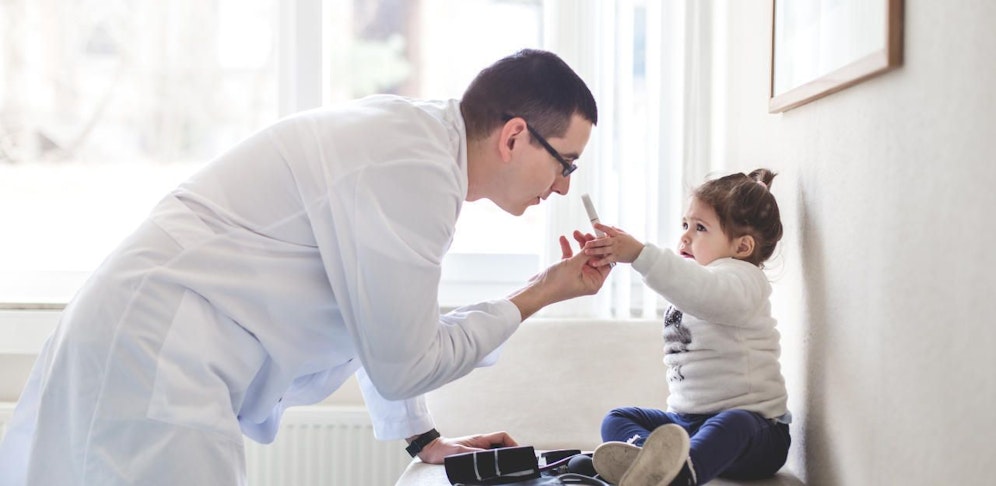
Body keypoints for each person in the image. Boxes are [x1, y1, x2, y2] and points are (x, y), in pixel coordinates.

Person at [0, 49, 608, 485]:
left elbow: (376, 317)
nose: (561, 187)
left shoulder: (419, 151)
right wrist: (538, 293)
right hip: (154, 354)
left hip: (146, 340)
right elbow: (406, 363)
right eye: (566, 163)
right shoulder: (413, 172)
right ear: (513, 137)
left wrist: (422, 439)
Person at [583, 169, 790, 486]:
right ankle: (646, 461)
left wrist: (640, 254)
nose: (685, 236)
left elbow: (701, 290)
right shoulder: (698, 278)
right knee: (619, 417)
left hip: (758, 433)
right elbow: (689, 285)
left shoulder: (744, 280)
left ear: (742, 247)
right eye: (685, 225)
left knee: (734, 422)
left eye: (700, 228)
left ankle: (678, 474)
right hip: (688, 422)